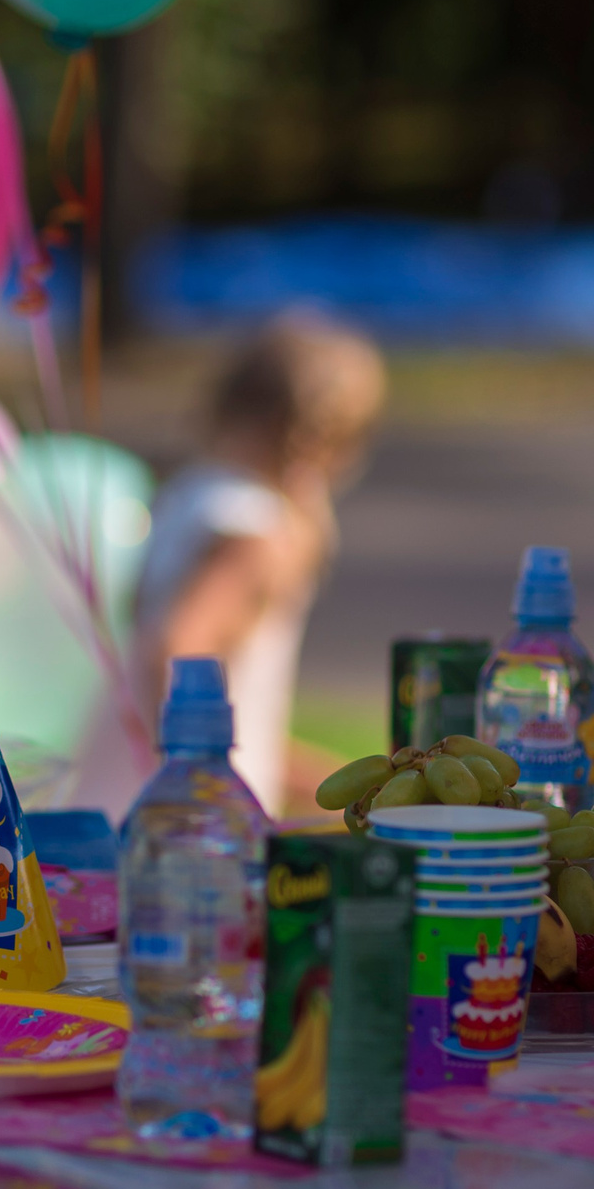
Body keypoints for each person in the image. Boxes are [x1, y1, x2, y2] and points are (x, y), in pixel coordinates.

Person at [72, 315, 387, 819]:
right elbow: (174, 651)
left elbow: (227, 705)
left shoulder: (189, 498)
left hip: (115, 802)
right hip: (180, 836)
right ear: (328, 448)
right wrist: (198, 797)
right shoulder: (255, 537)